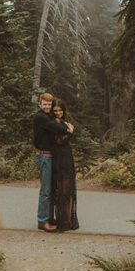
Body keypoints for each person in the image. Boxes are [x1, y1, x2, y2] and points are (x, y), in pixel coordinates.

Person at [33, 92, 73, 232]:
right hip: (44, 156)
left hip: (49, 156)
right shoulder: (41, 117)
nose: (47, 107)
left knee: (49, 190)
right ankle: (42, 221)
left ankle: (48, 218)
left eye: (49, 105)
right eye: (44, 104)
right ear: (40, 104)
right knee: (45, 190)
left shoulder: (47, 116)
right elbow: (59, 128)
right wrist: (68, 128)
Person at [49, 99, 79, 232]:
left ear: (64, 110)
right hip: (60, 158)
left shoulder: (62, 122)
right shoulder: (55, 123)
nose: (57, 113)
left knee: (66, 189)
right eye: (55, 111)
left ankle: (67, 220)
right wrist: (70, 132)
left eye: (60, 110)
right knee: (62, 189)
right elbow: (59, 141)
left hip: (66, 156)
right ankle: (63, 221)